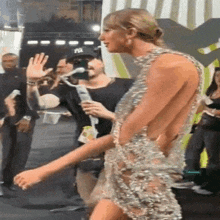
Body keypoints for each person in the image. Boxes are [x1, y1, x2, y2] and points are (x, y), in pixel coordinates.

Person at [14, 9, 202, 219]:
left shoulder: (167, 65)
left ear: (130, 32)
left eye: (108, 30)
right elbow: (40, 104)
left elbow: (125, 135)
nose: (101, 37)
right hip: (129, 170)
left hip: (136, 172)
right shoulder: (163, 66)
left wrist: (45, 170)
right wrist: (32, 83)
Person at [24, 47, 134, 207]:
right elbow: (39, 104)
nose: (84, 65)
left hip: (119, 153)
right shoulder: (69, 89)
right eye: (77, 62)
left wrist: (110, 115)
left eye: (89, 59)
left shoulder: (127, 85)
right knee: (90, 205)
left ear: (101, 62)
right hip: (86, 154)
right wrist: (32, 83)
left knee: (99, 201)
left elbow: (146, 121)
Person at [0, 53, 39, 195]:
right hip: (7, 120)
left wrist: (28, 117)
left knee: (20, 151)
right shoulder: (1, 78)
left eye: (11, 61)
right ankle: (5, 181)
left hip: (24, 120)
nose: (8, 63)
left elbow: (33, 99)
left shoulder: (25, 76)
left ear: (16, 61)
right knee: (7, 151)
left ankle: (17, 180)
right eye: (5, 61)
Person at [183, 67, 220, 195]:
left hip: (215, 130)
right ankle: (192, 178)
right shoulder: (211, 91)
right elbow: (200, 108)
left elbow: (212, 110)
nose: (219, 78)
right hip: (202, 127)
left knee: (214, 159)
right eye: (217, 76)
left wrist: (210, 110)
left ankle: (211, 186)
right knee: (191, 154)